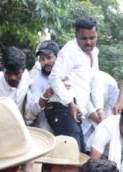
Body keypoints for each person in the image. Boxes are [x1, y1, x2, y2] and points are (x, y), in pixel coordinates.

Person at [48, 16, 104, 152]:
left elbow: (95, 83)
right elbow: (54, 77)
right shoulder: (69, 50)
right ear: (76, 35)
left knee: (80, 153)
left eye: (92, 38)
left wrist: (100, 109)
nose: (89, 42)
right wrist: (70, 103)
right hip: (62, 108)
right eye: (84, 38)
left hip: (76, 111)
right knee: (72, 154)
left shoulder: (94, 53)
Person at [0, 46, 31, 112]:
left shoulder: (26, 78)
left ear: (23, 70)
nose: (12, 77)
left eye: (16, 73)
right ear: (2, 69)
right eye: (8, 73)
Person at [26, 40, 60, 131]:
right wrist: (44, 97)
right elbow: (32, 110)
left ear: (58, 57)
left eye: (49, 58)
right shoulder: (36, 81)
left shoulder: (67, 77)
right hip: (46, 134)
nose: (45, 62)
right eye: (42, 59)